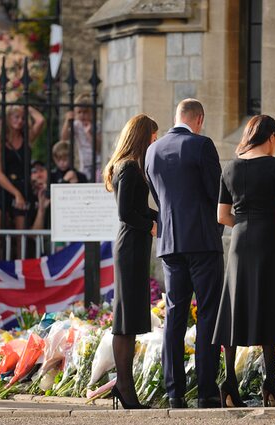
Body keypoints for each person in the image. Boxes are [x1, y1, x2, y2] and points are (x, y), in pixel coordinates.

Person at [212, 115, 275, 408]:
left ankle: (229, 383)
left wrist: (245, 223)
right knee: (269, 304)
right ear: (271, 136)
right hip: (270, 240)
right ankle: (270, 383)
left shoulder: (230, 167)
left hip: (240, 240)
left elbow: (222, 216)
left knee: (237, 306)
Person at [145, 98, 223, 409]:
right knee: (207, 314)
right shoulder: (202, 145)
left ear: (177, 116)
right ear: (199, 118)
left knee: (175, 315)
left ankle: (174, 391)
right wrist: (215, 231)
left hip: (169, 244)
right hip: (202, 241)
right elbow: (216, 193)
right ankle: (205, 391)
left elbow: (158, 196)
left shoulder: (153, 151)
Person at [103, 114, 159, 409]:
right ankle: (124, 387)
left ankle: (125, 386)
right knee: (124, 322)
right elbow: (126, 213)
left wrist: (157, 217)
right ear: (141, 136)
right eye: (152, 136)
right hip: (130, 246)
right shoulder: (127, 167)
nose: (155, 141)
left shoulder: (133, 167)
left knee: (131, 320)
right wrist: (151, 224)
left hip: (136, 247)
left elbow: (138, 207)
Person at [0, 106, 45, 232]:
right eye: (16, 117)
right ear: (8, 118)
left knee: (21, 237)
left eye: (23, 118)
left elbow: (40, 120)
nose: (20, 121)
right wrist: (16, 193)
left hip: (22, 185)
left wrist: (27, 107)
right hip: (4, 186)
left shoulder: (27, 137)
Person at [61, 93, 101, 182]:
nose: (82, 115)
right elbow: (64, 138)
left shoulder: (96, 125)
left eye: (85, 112)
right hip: (84, 164)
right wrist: (67, 121)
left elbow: (98, 148)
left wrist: (89, 133)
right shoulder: (76, 125)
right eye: (79, 112)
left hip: (98, 163)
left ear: (91, 112)